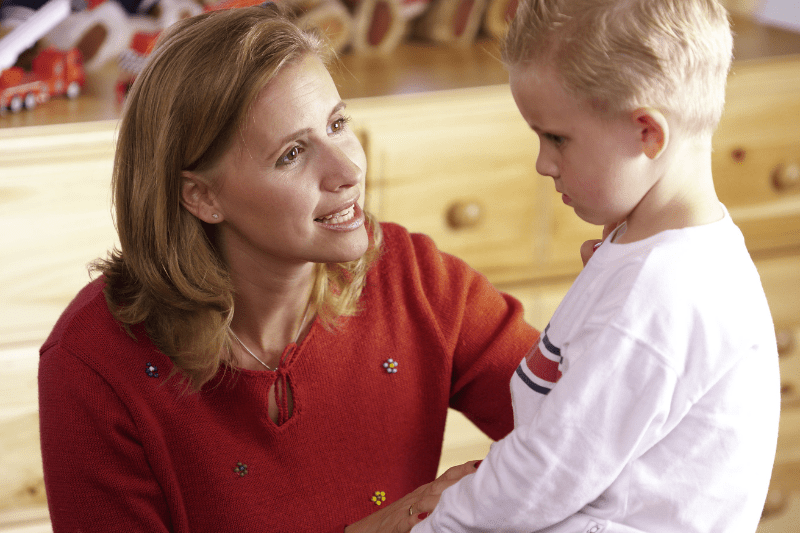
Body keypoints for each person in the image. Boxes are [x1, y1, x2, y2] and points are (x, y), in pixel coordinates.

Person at [36, 5, 541, 532]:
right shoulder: (92, 364)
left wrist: (621, 285)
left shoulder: (417, 281)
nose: (347, 171)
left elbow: (588, 432)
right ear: (202, 196)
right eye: (293, 153)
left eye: (338, 124)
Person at [410, 1, 781, 532]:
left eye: (557, 138)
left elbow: (547, 469)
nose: (543, 163)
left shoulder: (661, 292)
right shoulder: (663, 254)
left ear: (647, 134)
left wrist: (438, 526)